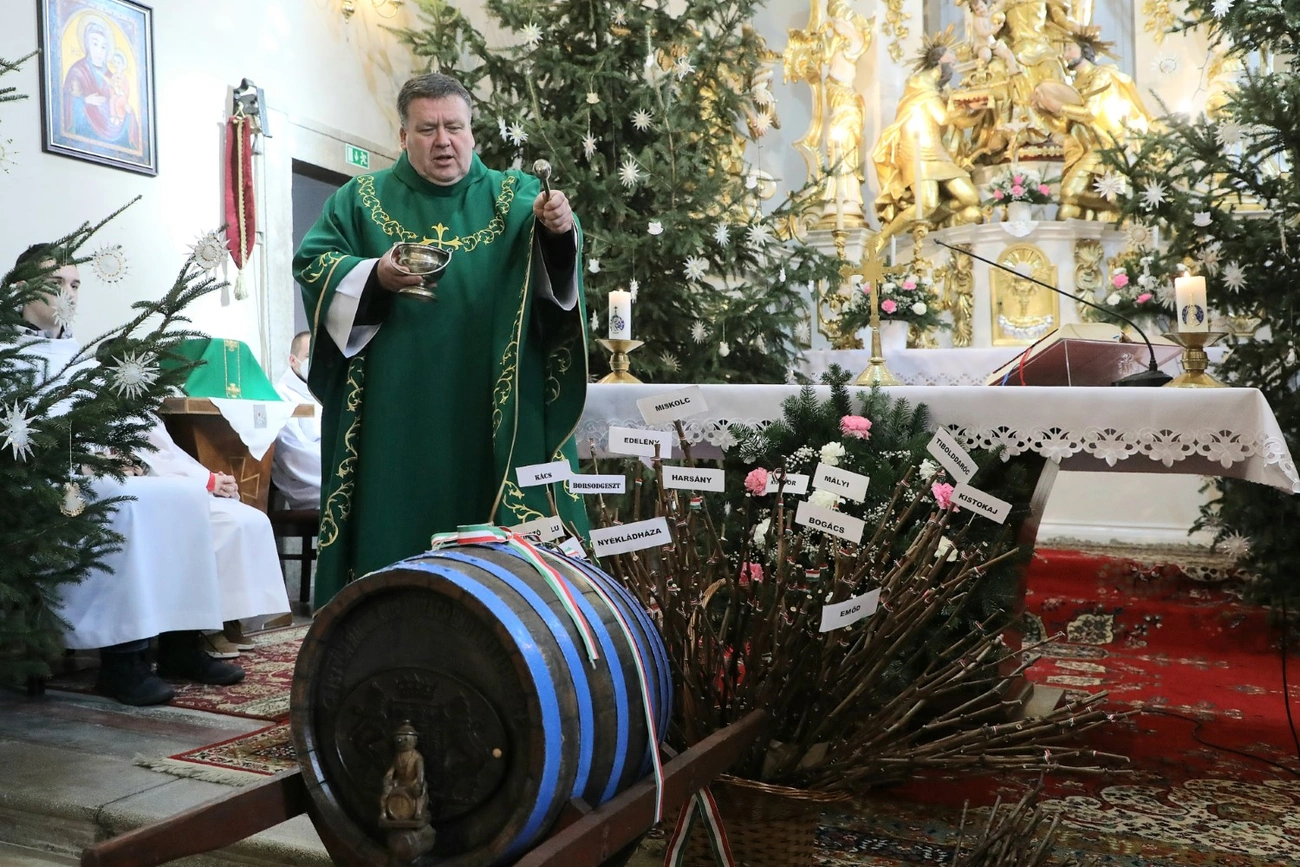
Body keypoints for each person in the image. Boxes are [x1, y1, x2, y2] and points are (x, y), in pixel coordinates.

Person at [293, 73, 589, 607]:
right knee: (395, 529)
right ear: (403, 136)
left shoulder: (517, 197)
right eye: (427, 129)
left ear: (472, 132)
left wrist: (559, 231)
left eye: (454, 127)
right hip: (393, 409)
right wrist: (374, 275)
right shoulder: (359, 200)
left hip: (493, 402)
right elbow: (314, 264)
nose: (443, 141)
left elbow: (557, 280)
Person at [11, 244, 290, 701]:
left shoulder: (80, 361)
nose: (70, 294)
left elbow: (130, 426)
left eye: (76, 284)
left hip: (102, 473)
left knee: (181, 498)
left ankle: (181, 643)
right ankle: (122, 660)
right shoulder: (9, 356)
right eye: (57, 283)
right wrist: (82, 460)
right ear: (21, 289)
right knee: (132, 503)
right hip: (46, 487)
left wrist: (135, 459)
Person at [270, 330, 322, 510]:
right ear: (293, 361)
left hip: (334, 476)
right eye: (309, 356)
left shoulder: (325, 393)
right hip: (306, 485)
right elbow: (293, 453)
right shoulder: (279, 396)